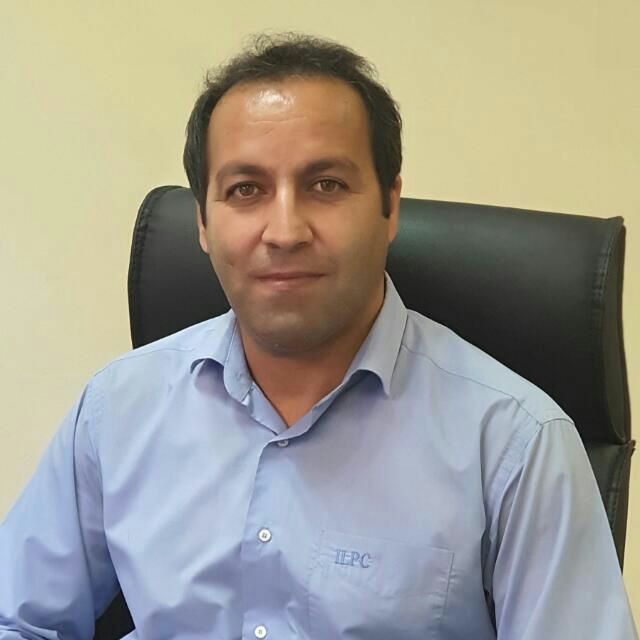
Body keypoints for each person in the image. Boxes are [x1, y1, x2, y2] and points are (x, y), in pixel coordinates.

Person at [0, 32, 637, 640]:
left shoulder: (515, 443)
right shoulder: (117, 409)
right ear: (202, 223)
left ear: (390, 205)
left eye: (325, 185)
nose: (284, 231)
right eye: (245, 189)